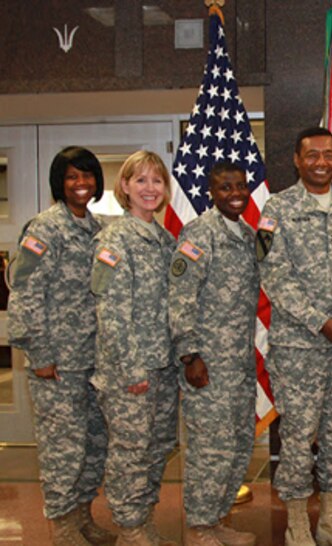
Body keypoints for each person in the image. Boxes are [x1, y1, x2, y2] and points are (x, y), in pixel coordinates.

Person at [258, 127, 332, 546]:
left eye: (328, 155)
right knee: (298, 435)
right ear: (297, 159)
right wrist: (318, 320)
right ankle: (296, 522)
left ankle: (330, 518)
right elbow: (274, 275)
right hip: (299, 346)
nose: (321, 162)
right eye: (312, 155)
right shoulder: (278, 208)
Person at [7, 147, 116, 546]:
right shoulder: (43, 229)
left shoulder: (100, 229)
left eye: (87, 176)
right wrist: (40, 354)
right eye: (72, 177)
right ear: (60, 182)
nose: (81, 184)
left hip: (95, 361)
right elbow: (24, 291)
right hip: (58, 365)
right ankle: (63, 528)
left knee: (92, 445)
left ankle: (83, 516)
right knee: (62, 448)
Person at [168, 162, 259, 546]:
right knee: (208, 449)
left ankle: (217, 518)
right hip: (207, 363)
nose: (235, 193)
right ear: (211, 192)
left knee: (237, 444)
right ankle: (199, 527)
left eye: (240, 186)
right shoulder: (198, 234)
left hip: (239, 364)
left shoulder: (248, 234)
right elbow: (180, 296)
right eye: (225, 187)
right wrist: (190, 355)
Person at [90, 150, 178, 546]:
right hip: (131, 372)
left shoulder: (164, 240)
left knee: (157, 449)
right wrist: (132, 371)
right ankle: (128, 528)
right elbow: (110, 311)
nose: (149, 189)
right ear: (124, 186)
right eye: (140, 180)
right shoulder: (115, 239)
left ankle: (142, 520)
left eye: (156, 181)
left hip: (163, 368)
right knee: (130, 453)